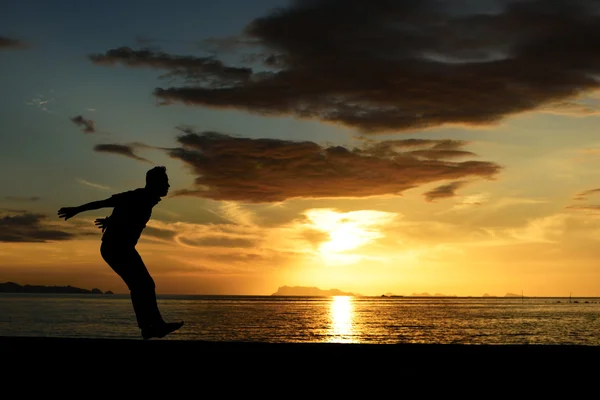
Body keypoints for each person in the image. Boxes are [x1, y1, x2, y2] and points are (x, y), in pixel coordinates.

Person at [57, 166, 183, 340]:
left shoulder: (145, 199)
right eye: (165, 182)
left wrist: (111, 221)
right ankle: (152, 326)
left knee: (143, 285)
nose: (168, 185)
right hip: (116, 248)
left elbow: (127, 214)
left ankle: (150, 327)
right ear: (155, 183)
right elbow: (104, 202)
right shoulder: (137, 196)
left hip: (122, 247)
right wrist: (76, 209)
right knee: (144, 284)